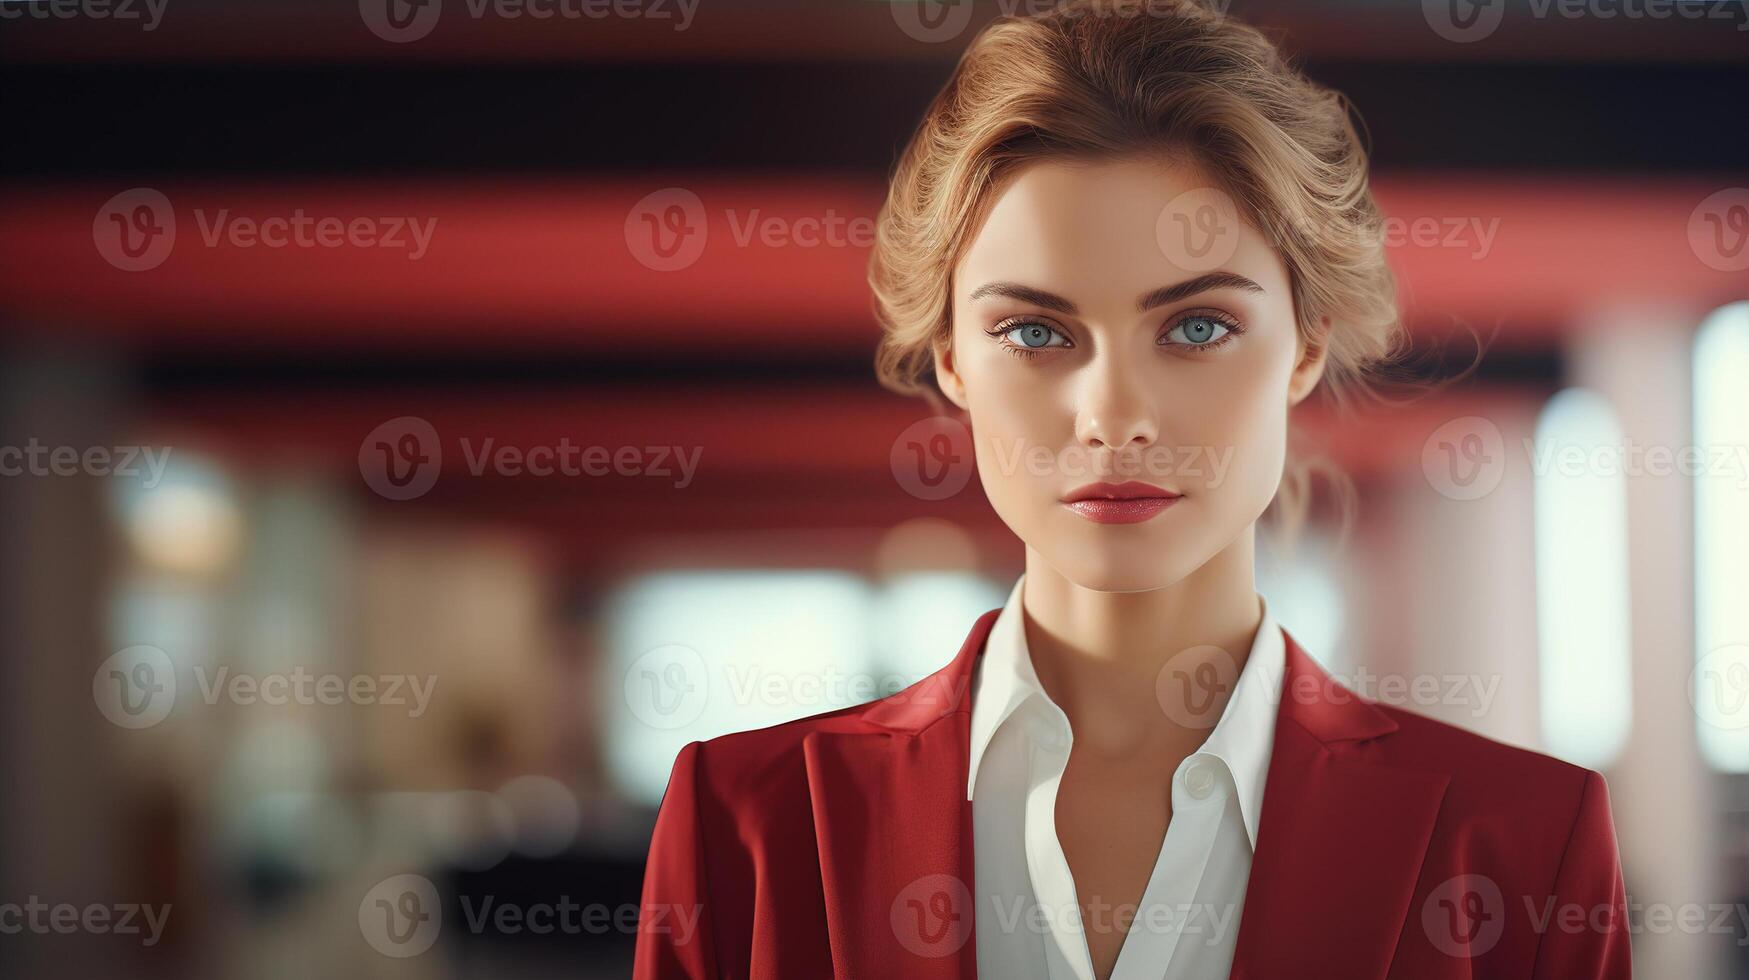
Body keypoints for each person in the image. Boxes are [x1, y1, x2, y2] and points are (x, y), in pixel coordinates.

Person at [635, 1, 1631, 977]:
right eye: (1036, 331)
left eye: (1196, 326)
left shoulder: (1523, 843)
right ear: (950, 358)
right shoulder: (744, 824)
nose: (1114, 415)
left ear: (1306, 343)